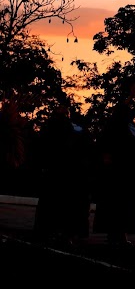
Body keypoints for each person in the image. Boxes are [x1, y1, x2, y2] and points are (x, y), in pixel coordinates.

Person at [92, 80, 135, 247]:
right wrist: (131, 95)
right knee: (115, 204)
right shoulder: (115, 125)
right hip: (117, 171)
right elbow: (107, 142)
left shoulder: (132, 128)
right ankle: (113, 234)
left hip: (129, 172)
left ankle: (121, 234)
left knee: (126, 206)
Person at [34, 101, 95, 247]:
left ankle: (58, 233)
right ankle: (62, 233)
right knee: (62, 206)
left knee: (58, 206)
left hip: (64, 173)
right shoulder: (68, 128)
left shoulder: (54, 127)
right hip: (64, 173)